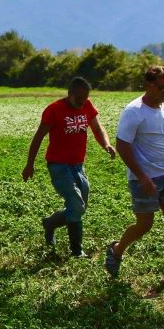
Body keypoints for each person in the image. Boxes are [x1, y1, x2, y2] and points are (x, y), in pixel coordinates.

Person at [105, 66, 164, 290]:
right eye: (161, 87)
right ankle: (117, 249)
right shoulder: (134, 111)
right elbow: (123, 145)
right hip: (143, 177)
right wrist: (142, 177)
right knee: (145, 224)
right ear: (148, 85)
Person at [23, 77, 116, 256]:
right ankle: (76, 250)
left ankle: (50, 223)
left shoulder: (87, 106)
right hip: (58, 165)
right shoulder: (54, 110)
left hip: (78, 166)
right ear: (70, 94)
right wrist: (30, 164)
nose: (82, 102)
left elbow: (97, 128)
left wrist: (106, 144)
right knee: (76, 204)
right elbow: (38, 137)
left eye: (85, 98)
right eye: (79, 98)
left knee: (80, 206)